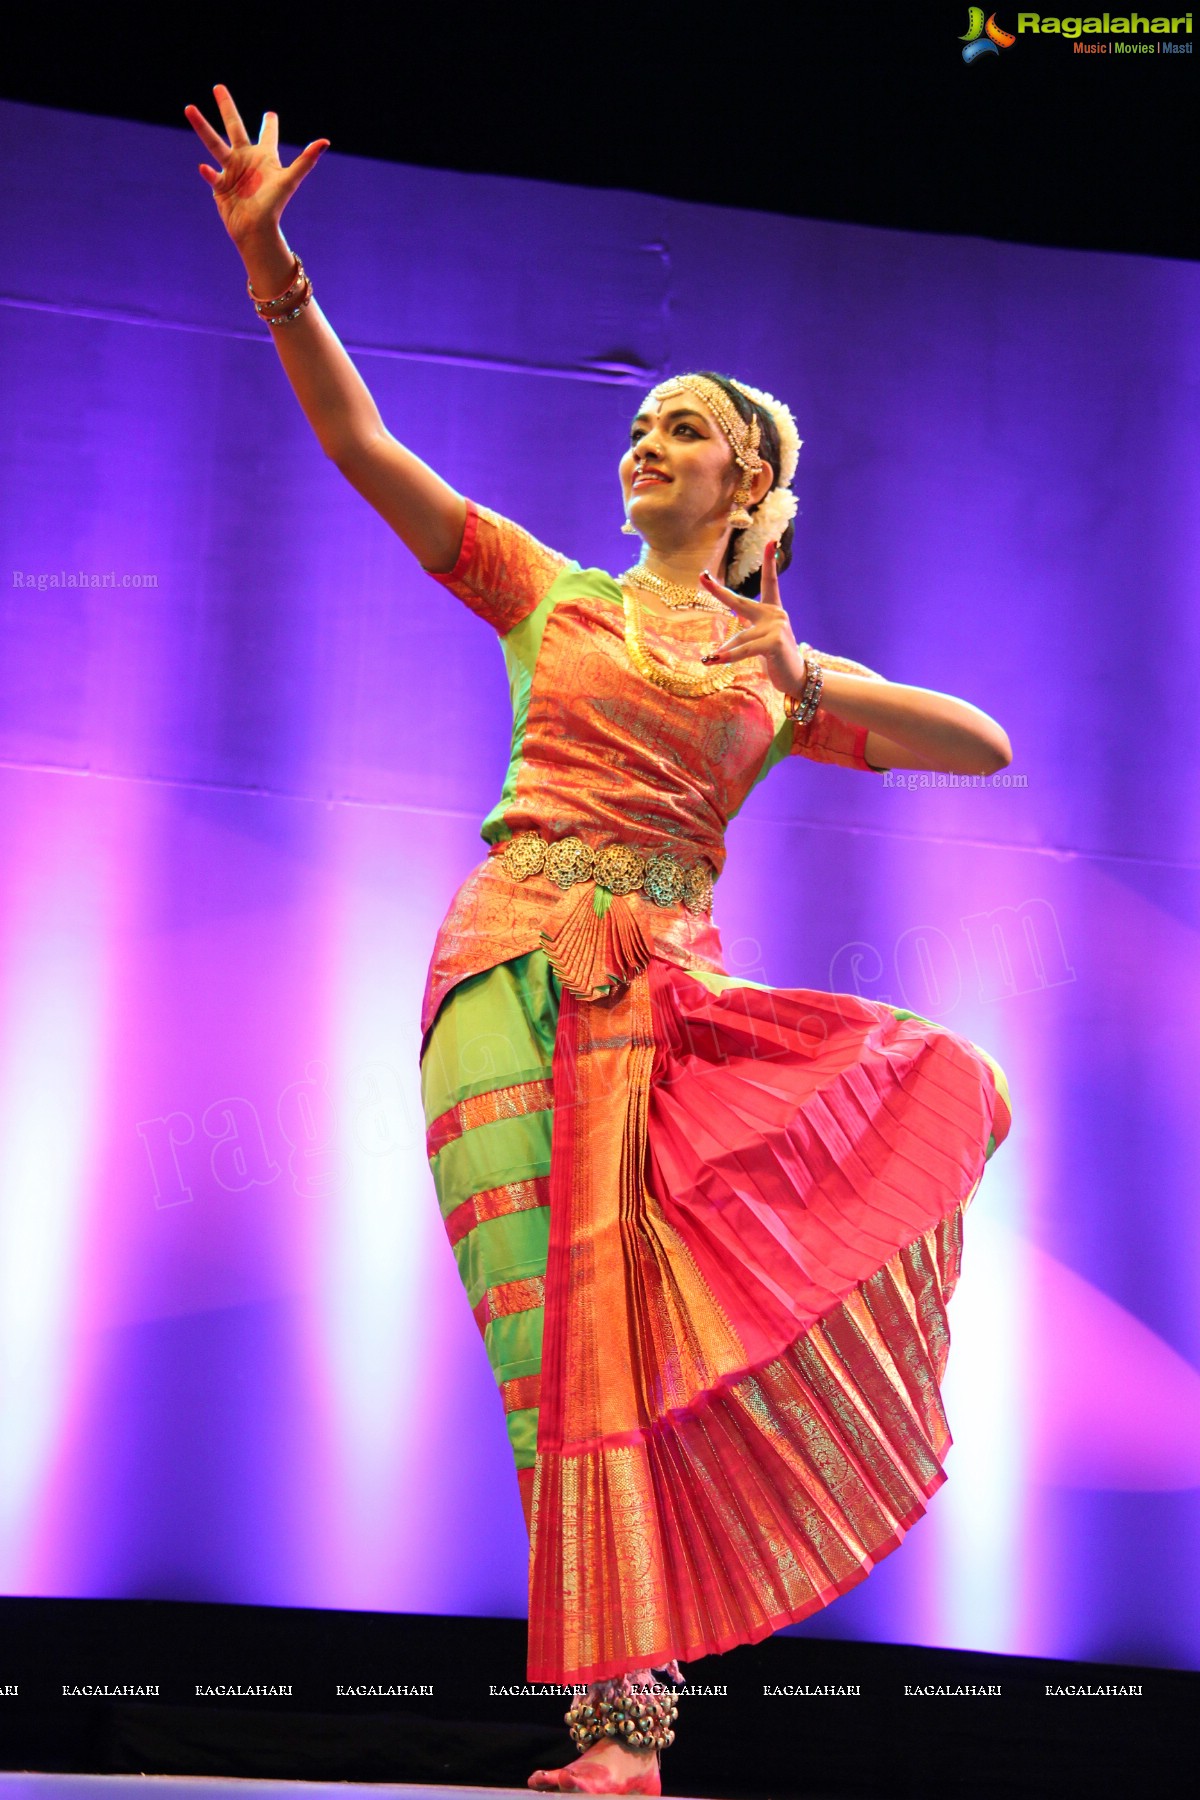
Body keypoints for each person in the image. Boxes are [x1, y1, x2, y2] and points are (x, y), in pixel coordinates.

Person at [186, 88, 1014, 1798]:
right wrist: (277, 268)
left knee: (650, 1339)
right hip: (506, 968)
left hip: (673, 1003)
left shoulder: (770, 677)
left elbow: (981, 743)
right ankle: (618, 1735)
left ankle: (630, 1727)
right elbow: (368, 455)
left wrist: (800, 673)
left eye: (686, 430)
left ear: (749, 482)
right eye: (637, 425)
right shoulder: (544, 595)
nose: (645, 443)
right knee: (546, 1351)